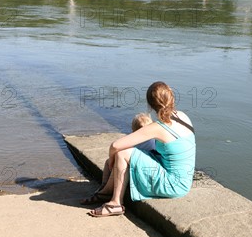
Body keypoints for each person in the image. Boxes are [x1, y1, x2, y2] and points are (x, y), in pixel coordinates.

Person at [83, 81, 196, 217]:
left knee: (122, 153)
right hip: (184, 180)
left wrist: (112, 163)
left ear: (149, 105)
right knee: (129, 153)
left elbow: (115, 146)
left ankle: (115, 202)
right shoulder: (183, 117)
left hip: (173, 184)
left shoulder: (158, 127)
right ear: (171, 95)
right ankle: (106, 192)